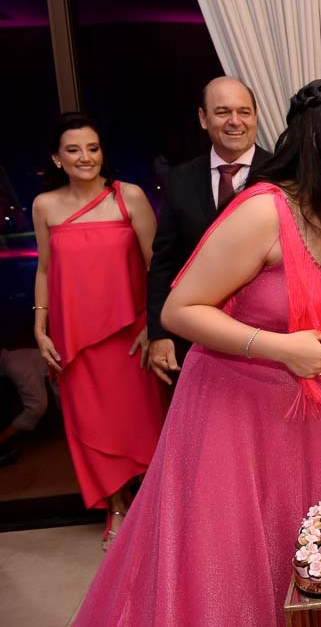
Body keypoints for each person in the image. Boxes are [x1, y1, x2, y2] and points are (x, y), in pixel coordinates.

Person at [74, 79, 321, 626]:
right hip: (234, 416)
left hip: (320, 412)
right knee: (235, 563)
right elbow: (180, 310)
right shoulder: (266, 211)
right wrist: (276, 347)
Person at [31, 112, 167, 549]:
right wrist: (40, 327)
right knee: (92, 425)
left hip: (130, 337)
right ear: (58, 158)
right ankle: (117, 507)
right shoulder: (45, 205)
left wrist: (154, 325)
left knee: (140, 422)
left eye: (92, 148)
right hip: (74, 339)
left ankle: (156, 510)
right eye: (73, 150)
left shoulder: (129, 197)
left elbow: (157, 266)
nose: (85, 157)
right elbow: (45, 269)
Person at [147, 76, 272, 385]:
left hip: (268, 338)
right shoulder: (181, 178)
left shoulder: (284, 175)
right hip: (195, 336)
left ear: (256, 116)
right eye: (223, 112)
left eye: (244, 112)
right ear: (203, 118)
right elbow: (165, 261)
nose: (235, 121)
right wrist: (159, 332)